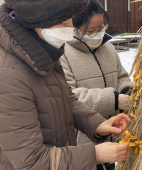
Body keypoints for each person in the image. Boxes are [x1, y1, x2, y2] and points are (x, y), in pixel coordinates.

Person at [0, 1, 130, 170]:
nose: (70, 30)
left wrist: (96, 124)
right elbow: (31, 161)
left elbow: (65, 98)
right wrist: (94, 154)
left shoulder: (43, 51)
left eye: (71, 20)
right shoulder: (8, 74)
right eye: (63, 23)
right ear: (38, 22)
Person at [60, 0, 132, 169]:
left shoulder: (108, 48)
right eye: (91, 31)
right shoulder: (63, 53)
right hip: (84, 144)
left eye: (101, 28)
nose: (98, 34)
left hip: (114, 138)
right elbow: (69, 95)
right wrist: (114, 100)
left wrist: (127, 91)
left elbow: (121, 76)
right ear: (74, 28)